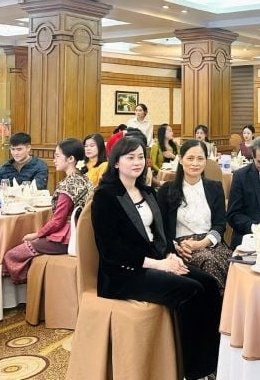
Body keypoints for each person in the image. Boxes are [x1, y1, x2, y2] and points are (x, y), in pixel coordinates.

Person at [91, 137, 221, 380]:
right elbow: (111, 251)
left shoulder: (147, 191)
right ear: (116, 162)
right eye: (130, 157)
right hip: (123, 273)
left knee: (210, 285)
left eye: (140, 157)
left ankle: (213, 361)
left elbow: (158, 236)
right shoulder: (106, 197)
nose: (137, 162)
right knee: (191, 291)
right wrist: (161, 264)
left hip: (155, 262)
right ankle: (195, 372)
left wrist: (171, 256)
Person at [2, 138, 93, 283]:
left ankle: (20, 294)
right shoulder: (85, 179)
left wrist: (37, 234)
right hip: (82, 234)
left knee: (12, 255)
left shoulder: (67, 186)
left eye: (57, 156)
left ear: (70, 159)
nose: (54, 160)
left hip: (66, 239)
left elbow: (58, 221)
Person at [157, 139, 233, 292]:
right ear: (180, 160)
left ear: (206, 161)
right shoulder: (167, 190)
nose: (195, 163)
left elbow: (220, 224)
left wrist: (202, 243)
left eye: (200, 159)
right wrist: (176, 247)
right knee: (208, 261)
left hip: (210, 242)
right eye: (190, 158)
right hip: (181, 246)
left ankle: (222, 306)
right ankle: (221, 307)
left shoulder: (214, 188)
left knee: (232, 262)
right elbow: (161, 226)